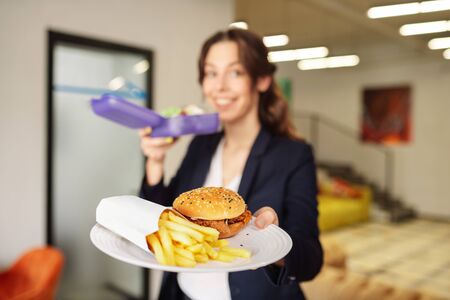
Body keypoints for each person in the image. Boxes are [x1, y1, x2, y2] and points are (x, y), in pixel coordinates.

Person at [139, 28, 323, 300]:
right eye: (211, 73)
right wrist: (155, 160)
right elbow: (164, 215)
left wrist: (275, 242)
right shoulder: (202, 144)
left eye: (235, 72)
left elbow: (311, 259)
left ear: (261, 80)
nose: (219, 86)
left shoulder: (293, 155)